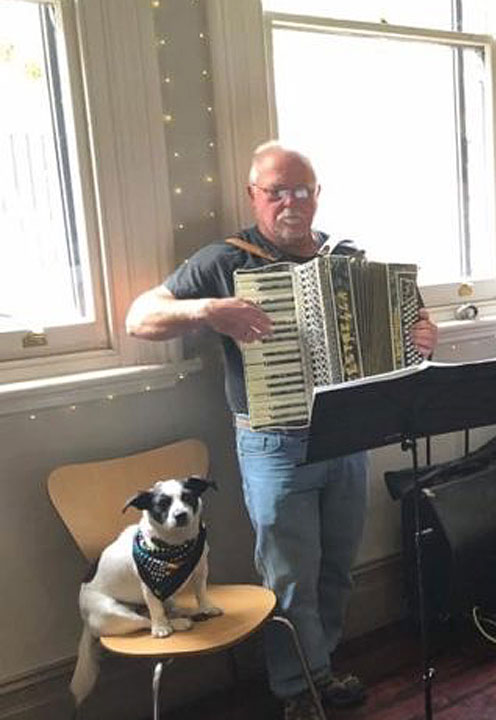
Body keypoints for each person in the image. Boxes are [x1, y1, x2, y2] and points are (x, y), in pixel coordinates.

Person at [126, 142, 438, 720]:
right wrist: (208, 311)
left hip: (347, 432)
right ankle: (298, 689)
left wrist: (422, 331)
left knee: (338, 567)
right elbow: (138, 317)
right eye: (277, 192)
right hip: (273, 442)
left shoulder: (346, 257)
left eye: (302, 190)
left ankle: (325, 670)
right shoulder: (226, 260)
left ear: (317, 195)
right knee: (290, 577)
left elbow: (410, 320)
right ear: (254, 195)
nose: (291, 202)